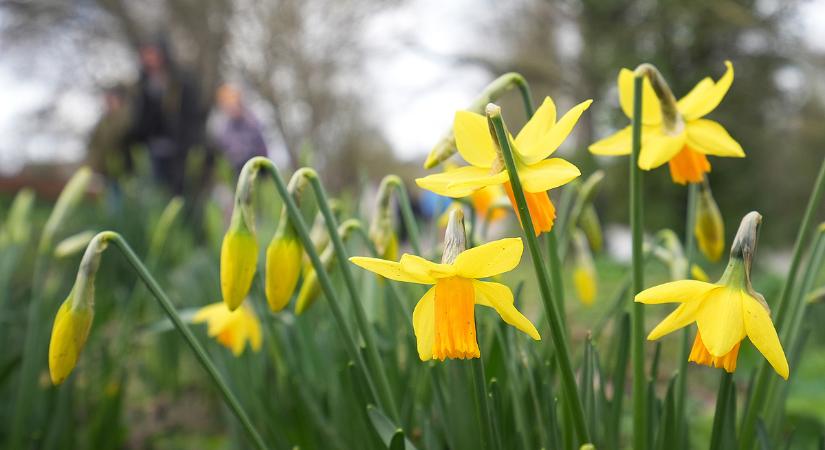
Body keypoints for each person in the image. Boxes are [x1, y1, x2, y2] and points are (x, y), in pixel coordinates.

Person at [131, 38, 205, 195]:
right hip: (154, 149)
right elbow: (140, 120)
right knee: (158, 193)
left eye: (152, 53)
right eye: (145, 54)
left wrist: (193, 143)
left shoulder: (181, 80)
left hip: (181, 149)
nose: (149, 58)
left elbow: (193, 114)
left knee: (182, 192)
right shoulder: (143, 85)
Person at [212, 84, 268, 174]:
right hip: (236, 170)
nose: (232, 107)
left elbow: (260, 143)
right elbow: (224, 151)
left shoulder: (251, 121)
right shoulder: (223, 129)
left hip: (258, 166)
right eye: (228, 104)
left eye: (234, 102)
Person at [86, 84, 132, 180]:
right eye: (107, 100)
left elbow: (120, 136)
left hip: (123, 165)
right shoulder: (103, 121)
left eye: (111, 100)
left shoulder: (126, 117)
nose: (108, 103)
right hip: (106, 169)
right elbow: (95, 145)